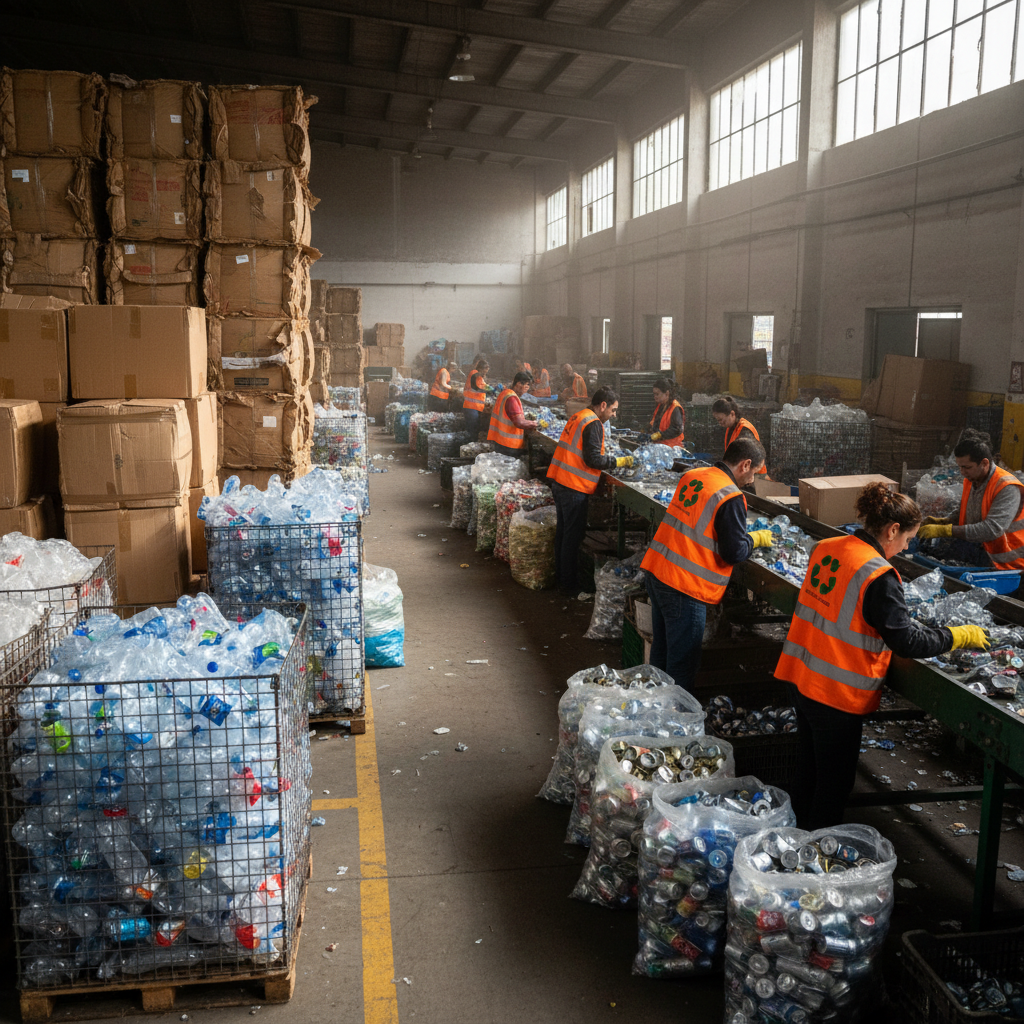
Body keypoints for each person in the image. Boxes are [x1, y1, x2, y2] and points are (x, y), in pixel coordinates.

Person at [775, 483, 989, 830]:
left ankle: (792, 841)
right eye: (906, 539)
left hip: (800, 676)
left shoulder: (826, 547)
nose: (905, 547)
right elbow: (905, 640)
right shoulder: (877, 574)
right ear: (892, 530)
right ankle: (812, 859)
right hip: (834, 693)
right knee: (833, 785)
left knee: (810, 770)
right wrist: (956, 636)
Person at [640, 437, 770, 690]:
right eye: (755, 472)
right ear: (745, 465)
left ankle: (651, 708)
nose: (753, 480)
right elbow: (733, 552)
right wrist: (754, 538)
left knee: (662, 651)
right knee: (682, 663)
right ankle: (674, 719)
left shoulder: (694, 475)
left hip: (658, 571)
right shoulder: (730, 496)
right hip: (683, 587)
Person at [547, 387, 634, 595]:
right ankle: (568, 586)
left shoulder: (579, 415)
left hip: (560, 481)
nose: (614, 415)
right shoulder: (593, 423)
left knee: (563, 533)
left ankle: (561, 578)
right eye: (613, 410)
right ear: (602, 405)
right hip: (573, 486)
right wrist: (618, 461)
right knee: (571, 538)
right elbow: (593, 459)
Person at [917, 430, 1024, 570]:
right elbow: (966, 510)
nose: (962, 472)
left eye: (967, 467)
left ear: (984, 463)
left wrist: (946, 530)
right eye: (960, 467)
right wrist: (946, 521)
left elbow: (992, 529)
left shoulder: (1006, 487)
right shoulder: (971, 479)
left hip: (1005, 562)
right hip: (979, 549)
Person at [711, 396, 767, 476]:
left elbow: (747, 458)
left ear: (732, 414)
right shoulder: (731, 428)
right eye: (718, 420)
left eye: (721, 419)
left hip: (754, 475)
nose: (720, 423)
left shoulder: (744, 430)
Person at [486, 371, 539, 457]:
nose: (527, 389)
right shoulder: (512, 399)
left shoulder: (504, 393)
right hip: (509, 445)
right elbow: (519, 422)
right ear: (518, 384)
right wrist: (535, 423)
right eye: (526, 385)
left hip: (499, 440)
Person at [647, 378, 685, 447]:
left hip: (672, 448)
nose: (655, 397)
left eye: (657, 394)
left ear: (667, 393)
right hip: (661, 446)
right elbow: (654, 424)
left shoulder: (675, 408)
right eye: (654, 394)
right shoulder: (660, 406)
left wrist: (660, 435)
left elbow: (677, 429)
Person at [462, 359, 490, 440]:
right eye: (485, 371)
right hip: (471, 407)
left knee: (473, 430)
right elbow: (484, 387)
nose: (485, 373)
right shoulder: (476, 375)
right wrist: (494, 389)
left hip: (472, 406)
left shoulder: (476, 375)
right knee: (473, 431)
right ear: (481, 369)